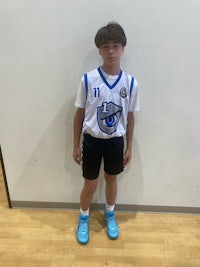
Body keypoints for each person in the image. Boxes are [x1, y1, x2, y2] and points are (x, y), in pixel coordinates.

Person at [73, 22, 139, 244]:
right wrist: (75, 145)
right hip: (92, 140)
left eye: (116, 46)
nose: (111, 51)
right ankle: (83, 217)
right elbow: (79, 114)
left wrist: (129, 145)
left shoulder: (130, 83)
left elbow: (130, 118)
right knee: (90, 184)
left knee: (112, 179)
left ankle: (110, 213)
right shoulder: (88, 79)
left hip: (115, 142)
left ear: (123, 49)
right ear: (99, 50)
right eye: (106, 46)